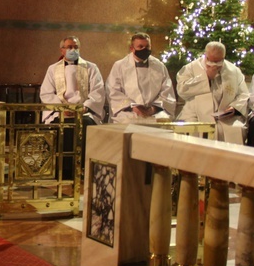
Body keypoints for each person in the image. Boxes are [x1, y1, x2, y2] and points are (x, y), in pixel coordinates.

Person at [39, 36, 105, 179]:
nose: (73, 50)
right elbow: (46, 92)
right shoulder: (52, 69)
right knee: (60, 128)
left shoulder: (91, 67)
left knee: (86, 126)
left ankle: (84, 170)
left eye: (75, 47)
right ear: (62, 50)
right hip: (60, 111)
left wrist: (85, 108)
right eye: (69, 47)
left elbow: (98, 90)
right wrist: (62, 108)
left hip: (84, 112)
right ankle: (61, 171)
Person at [176, 41, 250, 143]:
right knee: (192, 131)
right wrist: (206, 77)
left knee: (237, 129)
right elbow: (182, 90)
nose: (215, 65)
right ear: (205, 55)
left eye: (218, 62)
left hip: (225, 117)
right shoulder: (191, 68)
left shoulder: (233, 71)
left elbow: (244, 94)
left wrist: (234, 108)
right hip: (195, 115)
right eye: (212, 61)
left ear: (223, 57)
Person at [106, 33, 176, 123]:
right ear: (132, 48)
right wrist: (134, 107)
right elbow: (113, 91)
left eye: (147, 47)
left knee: (162, 122)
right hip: (129, 111)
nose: (144, 49)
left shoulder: (159, 66)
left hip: (154, 111)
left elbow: (167, 91)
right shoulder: (120, 66)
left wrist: (153, 108)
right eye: (140, 46)